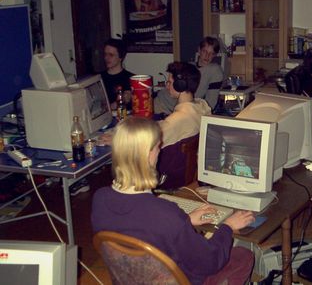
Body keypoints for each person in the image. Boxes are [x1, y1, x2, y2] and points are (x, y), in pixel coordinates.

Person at [91, 116, 255, 284]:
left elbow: (138, 226)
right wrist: (227, 227)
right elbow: (210, 262)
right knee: (243, 256)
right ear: (147, 155)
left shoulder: (100, 199)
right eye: (157, 146)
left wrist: (186, 221)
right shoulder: (166, 213)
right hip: (183, 280)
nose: (159, 151)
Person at [157, 62, 212, 189]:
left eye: (170, 82)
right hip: (189, 177)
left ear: (180, 85)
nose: (167, 86)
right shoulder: (202, 107)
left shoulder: (177, 120)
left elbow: (146, 142)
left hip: (169, 181)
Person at [155, 36, 224, 114]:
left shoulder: (214, 70)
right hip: (161, 101)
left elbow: (210, 103)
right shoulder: (189, 66)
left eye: (211, 53)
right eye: (205, 51)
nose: (207, 56)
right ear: (199, 50)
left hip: (171, 110)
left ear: (215, 55)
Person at [100, 38, 134, 109]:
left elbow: (127, 98)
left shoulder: (130, 78)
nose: (106, 58)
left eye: (111, 55)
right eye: (105, 54)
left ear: (120, 57)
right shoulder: (99, 78)